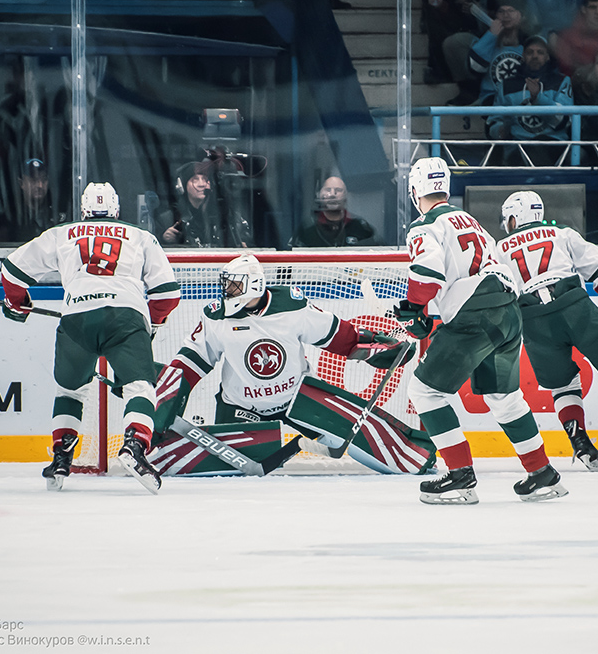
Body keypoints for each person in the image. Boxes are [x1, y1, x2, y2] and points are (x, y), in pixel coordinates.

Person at [151, 254, 429, 475]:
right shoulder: (216, 317)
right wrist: (161, 408)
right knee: (228, 468)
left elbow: (342, 338)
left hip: (298, 397)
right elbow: (187, 366)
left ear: (255, 285)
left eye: (235, 286)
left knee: (401, 457)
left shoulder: (292, 307)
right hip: (241, 407)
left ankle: (417, 453)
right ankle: (153, 448)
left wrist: (384, 349)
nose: (228, 292)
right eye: (227, 285)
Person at [395, 157, 569, 505]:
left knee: (425, 391)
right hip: (507, 308)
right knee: (504, 397)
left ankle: (460, 477)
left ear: (415, 192)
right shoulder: (470, 220)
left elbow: (427, 271)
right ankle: (542, 474)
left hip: (475, 314)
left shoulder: (424, 225)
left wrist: (413, 309)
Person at [1, 182, 182, 493]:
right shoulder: (141, 236)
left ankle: (60, 458)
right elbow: (167, 294)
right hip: (125, 316)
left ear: (83, 210)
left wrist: (18, 303)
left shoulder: (61, 234)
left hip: (76, 318)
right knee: (139, 386)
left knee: (69, 393)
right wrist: (149, 324)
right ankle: (135, 445)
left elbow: (12, 271)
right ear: (116, 210)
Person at [494, 190, 598, 470]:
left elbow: (496, 291)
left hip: (532, 318)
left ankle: (580, 441)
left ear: (514, 218)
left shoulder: (498, 249)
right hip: (573, 305)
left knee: (563, 385)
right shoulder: (560, 233)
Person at [487, 34, 574, 166]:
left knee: (538, 148)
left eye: (540, 52)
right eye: (530, 52)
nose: (535, 56)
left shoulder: (561, 81)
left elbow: (563, 122)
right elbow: (493, 121)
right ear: (523, 57)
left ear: (547, 57)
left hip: (554, 147)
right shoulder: (507, 85)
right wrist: (499, 130)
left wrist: (538, 98)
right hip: (518, 149)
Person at [157, 159, 249, 248]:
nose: (201, 184)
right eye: (195, 179)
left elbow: (251, 244)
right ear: (181, 186)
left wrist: (243, 245)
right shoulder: (167, 219)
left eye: (205, 179)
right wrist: (164, 239)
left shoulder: (227, 216)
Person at [290, 176, 377, 247]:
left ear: (345, 196)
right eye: (328, 190)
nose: (332, 194)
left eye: (338, 190)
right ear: (319, 194)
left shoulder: (360, 227)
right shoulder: (307, 229)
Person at [4, 157, 66, 243]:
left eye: (43, 179)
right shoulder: (11, 216)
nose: (40, 185)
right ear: (21, 183)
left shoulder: (57, 214)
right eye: (33, 180)